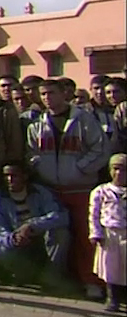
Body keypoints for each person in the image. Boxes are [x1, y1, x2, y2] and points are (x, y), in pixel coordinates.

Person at [27, 79, 110, 300]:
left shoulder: (83, 119)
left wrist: (80, 168)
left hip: (80, 187)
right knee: (55, 236)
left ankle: (92, 281)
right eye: (43, 94)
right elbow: (31, 151)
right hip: (51, 189)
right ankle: (58, 279)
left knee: (86, 237)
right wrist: (39, 166)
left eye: (51, 93)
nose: (47, 98)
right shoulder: (37, 123)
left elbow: (101, 149)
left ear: (64, 93)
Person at [0, 162, 70, 287]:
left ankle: (50, 277)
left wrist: (32, 225)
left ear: (25, 176)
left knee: (61, 234)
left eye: (14, 176)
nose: (10, 179)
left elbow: (60, 215)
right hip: (15, 244)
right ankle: (23, 275)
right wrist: (13, 238)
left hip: (40, 242)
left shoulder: (40, 193)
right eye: (6, 176)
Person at [90, 153, 127, 311]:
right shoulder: (101, 191)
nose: (119, 173)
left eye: (124, 170)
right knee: (110, 267)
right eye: (116, 169)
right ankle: (112, 297)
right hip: (109, 234)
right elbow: (94, 214)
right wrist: (96, 233)